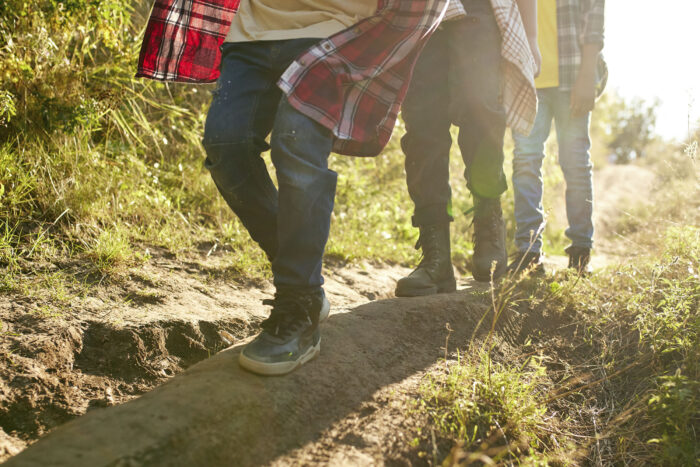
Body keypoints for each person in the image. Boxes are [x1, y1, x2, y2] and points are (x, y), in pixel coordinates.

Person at [137, 0, 450, 375]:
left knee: (296, 146)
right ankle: (298, 274)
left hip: (335, 34)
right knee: (226, 147)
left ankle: (299, 302)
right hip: (252, 33)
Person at [395, 0, 540, 296]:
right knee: (422, 126)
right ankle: (436, 256)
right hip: (418, 11)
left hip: (479, 10)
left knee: (481, 112)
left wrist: (532, 38)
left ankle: (488, 222)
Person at [508, 0, 606, 275]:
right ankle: (529, 252)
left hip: (572, 76)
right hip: (527, 76)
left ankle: (580, 251)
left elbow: (594, 17)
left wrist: (588, 73)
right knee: (525, 160)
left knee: (575, 163)